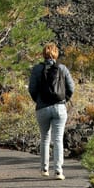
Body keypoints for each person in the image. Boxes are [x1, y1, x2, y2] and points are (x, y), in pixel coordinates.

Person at [28, 42, 74, 179]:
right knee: (58, 139)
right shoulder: (62, 68)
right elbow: (71, 87)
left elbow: (32, 89)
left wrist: (39, 101)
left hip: (42, 108)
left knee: (45, 138)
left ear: (43, 54)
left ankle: (44, 169)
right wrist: (64, 99)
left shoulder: (37, 69)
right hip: (59, 107)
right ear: (56, 54)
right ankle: (58, 171)